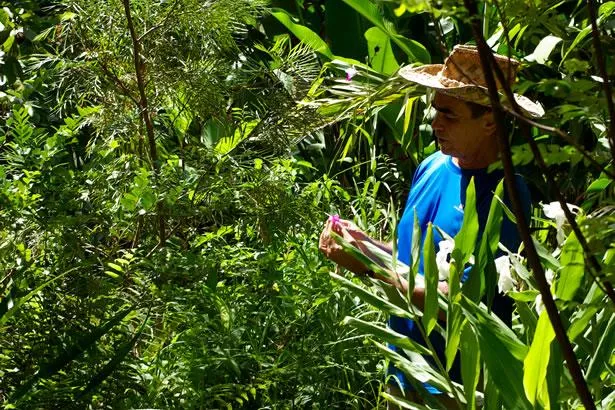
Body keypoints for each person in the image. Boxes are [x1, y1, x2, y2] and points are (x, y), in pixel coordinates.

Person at [318, 45, 544, 407]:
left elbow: (457, 301)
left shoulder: (505, 194)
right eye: (436, 110)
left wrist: (370, 269)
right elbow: (411, 260)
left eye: (449, 115)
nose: (435, 122)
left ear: (489, 122)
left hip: (455, 389)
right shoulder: (433, 166)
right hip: (403, 373)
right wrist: (363, 245)